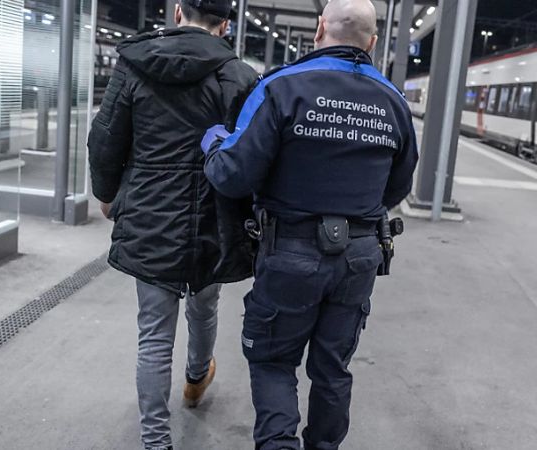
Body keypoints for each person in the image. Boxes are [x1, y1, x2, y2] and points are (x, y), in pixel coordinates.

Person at [201, 0, 419, 448]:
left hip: (289, 253)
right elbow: (398, 187)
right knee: (332, 367)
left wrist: (215, 144)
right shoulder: (394, 102)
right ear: (373, 43)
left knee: (274, 361)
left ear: (320, 29)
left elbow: (233, 176)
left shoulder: (281, 87)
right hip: (360, 256)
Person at [86, 0, 258, 448]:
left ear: (178, 13)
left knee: (154, 335)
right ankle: (197, 377)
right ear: (224, 25)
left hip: (148, 214)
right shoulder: (239, 77)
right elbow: (251, 158)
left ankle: (156, 441)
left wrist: (106, 195)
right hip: (212, 220)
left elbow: (106, 138)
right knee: (204, 305)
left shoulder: (133, 63)